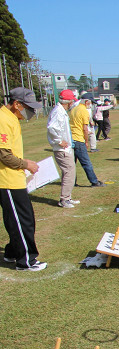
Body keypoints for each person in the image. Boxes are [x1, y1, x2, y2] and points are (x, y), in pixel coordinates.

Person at [0, 87, 47, 271]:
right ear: (17, 104)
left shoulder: (11, 118)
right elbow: (3, 154)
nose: (30, 112)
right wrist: (25, 164)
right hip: (7, 180)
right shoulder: (3, 119)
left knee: (16, 219)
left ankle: (12, 252)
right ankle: (26, 260)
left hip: (14, 178)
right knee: (23, 220)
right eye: (28, 107)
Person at [47, 89, 79, 208]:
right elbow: (52, 128)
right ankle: (64, 199)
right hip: (62, 150)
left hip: (66, 148)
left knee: (71, 172)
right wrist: (59, 141)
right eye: (72, 102)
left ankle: (68, 197)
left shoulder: (61, 111)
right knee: (69, 172)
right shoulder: (58, 112)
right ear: (68, 102)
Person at [69, 96, 105, 187]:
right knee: (86, 162)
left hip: (71, 138)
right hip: (78, 139)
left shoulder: (74, 109)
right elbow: (85, 128)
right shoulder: (84, 111)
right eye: (91, 103)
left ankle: (71, 182)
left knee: (71, 164)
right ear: (87, 102)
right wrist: (86, 141)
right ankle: (94, 181)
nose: (91, 105)